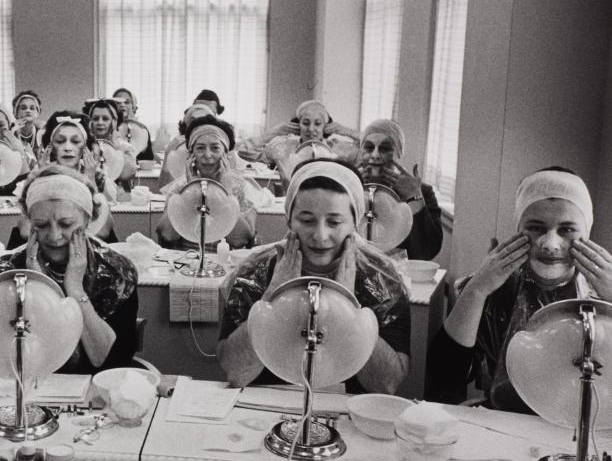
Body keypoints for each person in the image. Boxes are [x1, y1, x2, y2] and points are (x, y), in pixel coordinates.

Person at [218, 159, 411, 394]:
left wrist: (346, 306)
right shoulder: (255, 271)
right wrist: (272, 298)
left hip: (348, 413)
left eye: (335, 222)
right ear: (289, 219)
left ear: (355, 222)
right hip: (265, 407)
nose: (320, 236)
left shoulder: (381, 278)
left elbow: (385, 384)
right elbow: (237, 374)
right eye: (307, 221)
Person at [427, 167, 612, 412]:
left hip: (580, 432)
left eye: (567, 230)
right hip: (506, 425)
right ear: (518, 229)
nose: (550, 244)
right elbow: (443, 379)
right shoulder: (494, 290)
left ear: (586, 233)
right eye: (536, 228)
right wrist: (477, 291)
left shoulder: (601, 293)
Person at [0, 166, 139, 374]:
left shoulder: (117, 272)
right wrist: (39, 287)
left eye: (66, 224)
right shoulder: (8, 270)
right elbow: (2, 358)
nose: (54, 235)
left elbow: (110, 362)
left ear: (87, 219)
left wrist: (75, 290)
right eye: (41, 225)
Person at [10, 111, 115, 247]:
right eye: (60, 141)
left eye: (75, 141)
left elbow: (104, 231)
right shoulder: (35, 178)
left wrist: (90, 179)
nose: (67, 148)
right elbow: (25, 231)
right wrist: (42, 178)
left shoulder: (99, 178)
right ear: (51, 147)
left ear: (84, 147)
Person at [156, 115, 259, 250]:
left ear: (226, 154)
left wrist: (226, 193)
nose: (207, 155)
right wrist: (191, 190)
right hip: (186, 262)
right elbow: (167, 235)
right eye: (200, 148)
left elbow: (239, 240)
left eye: (215, 148)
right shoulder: (179, 187)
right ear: (191, 154)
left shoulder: (241, 189)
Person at [357, 119, 443, 260]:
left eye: (384, 149)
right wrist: (350, 186)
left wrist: (414, 197)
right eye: (369, 147)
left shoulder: (423, 193)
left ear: (399, 153)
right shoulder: (346, 186)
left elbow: (426, 252)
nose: (375, 155)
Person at [82, 98, 138, 195]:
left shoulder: (125, 147)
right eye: (95, 119)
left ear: (114, 122)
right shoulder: (83, 146)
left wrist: (116, 147)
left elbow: (128, 174)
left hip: (119, 201)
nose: (100, 122)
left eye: (105, 118)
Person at [158, 103, 216, 188]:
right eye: (193, 122)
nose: (198, 127)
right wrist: (169, 152)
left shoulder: (219, 151)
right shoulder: (180, 151)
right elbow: (164, 188)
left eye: (203, 122)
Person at [112, 87, 154, 161]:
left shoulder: (142, 129)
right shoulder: (107, 128)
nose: (122, 105)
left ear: (134, 107)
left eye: (127, 102)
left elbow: (148, 158)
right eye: (118, 102)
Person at [11, 90, 43, 156]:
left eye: (32, 108)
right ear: (15, 113)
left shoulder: (43, 134)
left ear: (38, 113)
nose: (28, 110)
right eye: (23, 108)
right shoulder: (10, 133)